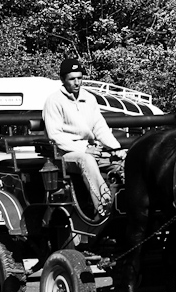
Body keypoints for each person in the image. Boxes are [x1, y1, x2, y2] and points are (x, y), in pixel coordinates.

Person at [43, 58, 124, 217]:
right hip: (65, 155)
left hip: (91, 151)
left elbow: (100, 128)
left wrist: (117, 149)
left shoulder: (89, 98)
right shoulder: (53, 101)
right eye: (72, 79)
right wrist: (85, 149)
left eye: (80, 78)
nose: (77, 82)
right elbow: (55, 136)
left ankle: (127, 202)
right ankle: (104, 204)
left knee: (124, 159)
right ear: (62, 79)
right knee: (86, 160)